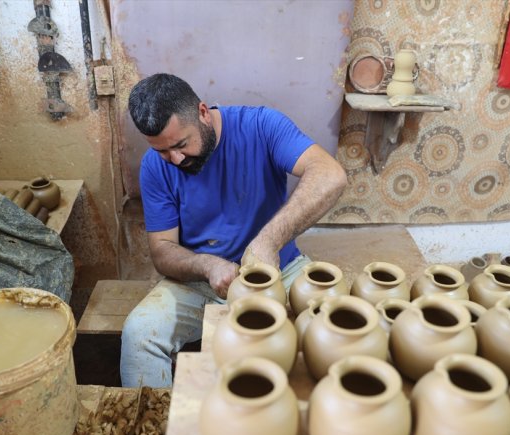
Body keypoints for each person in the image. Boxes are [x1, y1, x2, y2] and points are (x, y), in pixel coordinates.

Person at [121, 73, 347, 387]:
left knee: (341, 331)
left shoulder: (262, 126)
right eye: (162, 151)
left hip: (280, 270)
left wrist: (268, 242)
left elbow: (330, 175)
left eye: (181, 144)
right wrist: (207, 265)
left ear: (202, 112)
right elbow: (162, 250)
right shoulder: (155, 166)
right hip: (202, 282)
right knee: (139, 334)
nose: (175, 159)